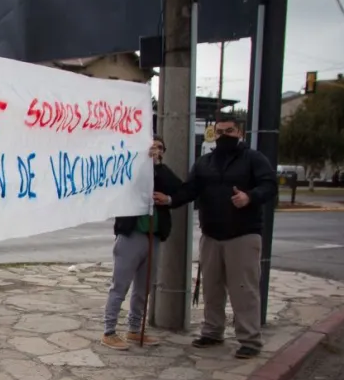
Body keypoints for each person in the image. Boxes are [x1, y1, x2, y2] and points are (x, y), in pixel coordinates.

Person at [153, 119, 278, 358]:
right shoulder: (204, 163)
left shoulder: (253, 159)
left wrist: (249, 197)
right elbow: (189, 190)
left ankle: (250, 340)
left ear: (239, 132)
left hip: (243, 234)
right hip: (211, 235)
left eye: (229, 131)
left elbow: (270, 185)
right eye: (219, 132)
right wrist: (169, 200)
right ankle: (212, 331)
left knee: (244, 290)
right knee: (211, 287)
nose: (223, 136)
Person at [102, 136, 183, 350]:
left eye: (159, 147)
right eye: (152, 147)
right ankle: (109, 331)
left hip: (153, 237)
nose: (155, 150)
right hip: (132, 236)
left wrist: (158, 170)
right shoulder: (131, 170)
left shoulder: (162, 173)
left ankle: (135, 329)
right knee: (120, 285)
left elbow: (179, 189)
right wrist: (143, 163)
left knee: (143, 288)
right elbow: (123, 184)